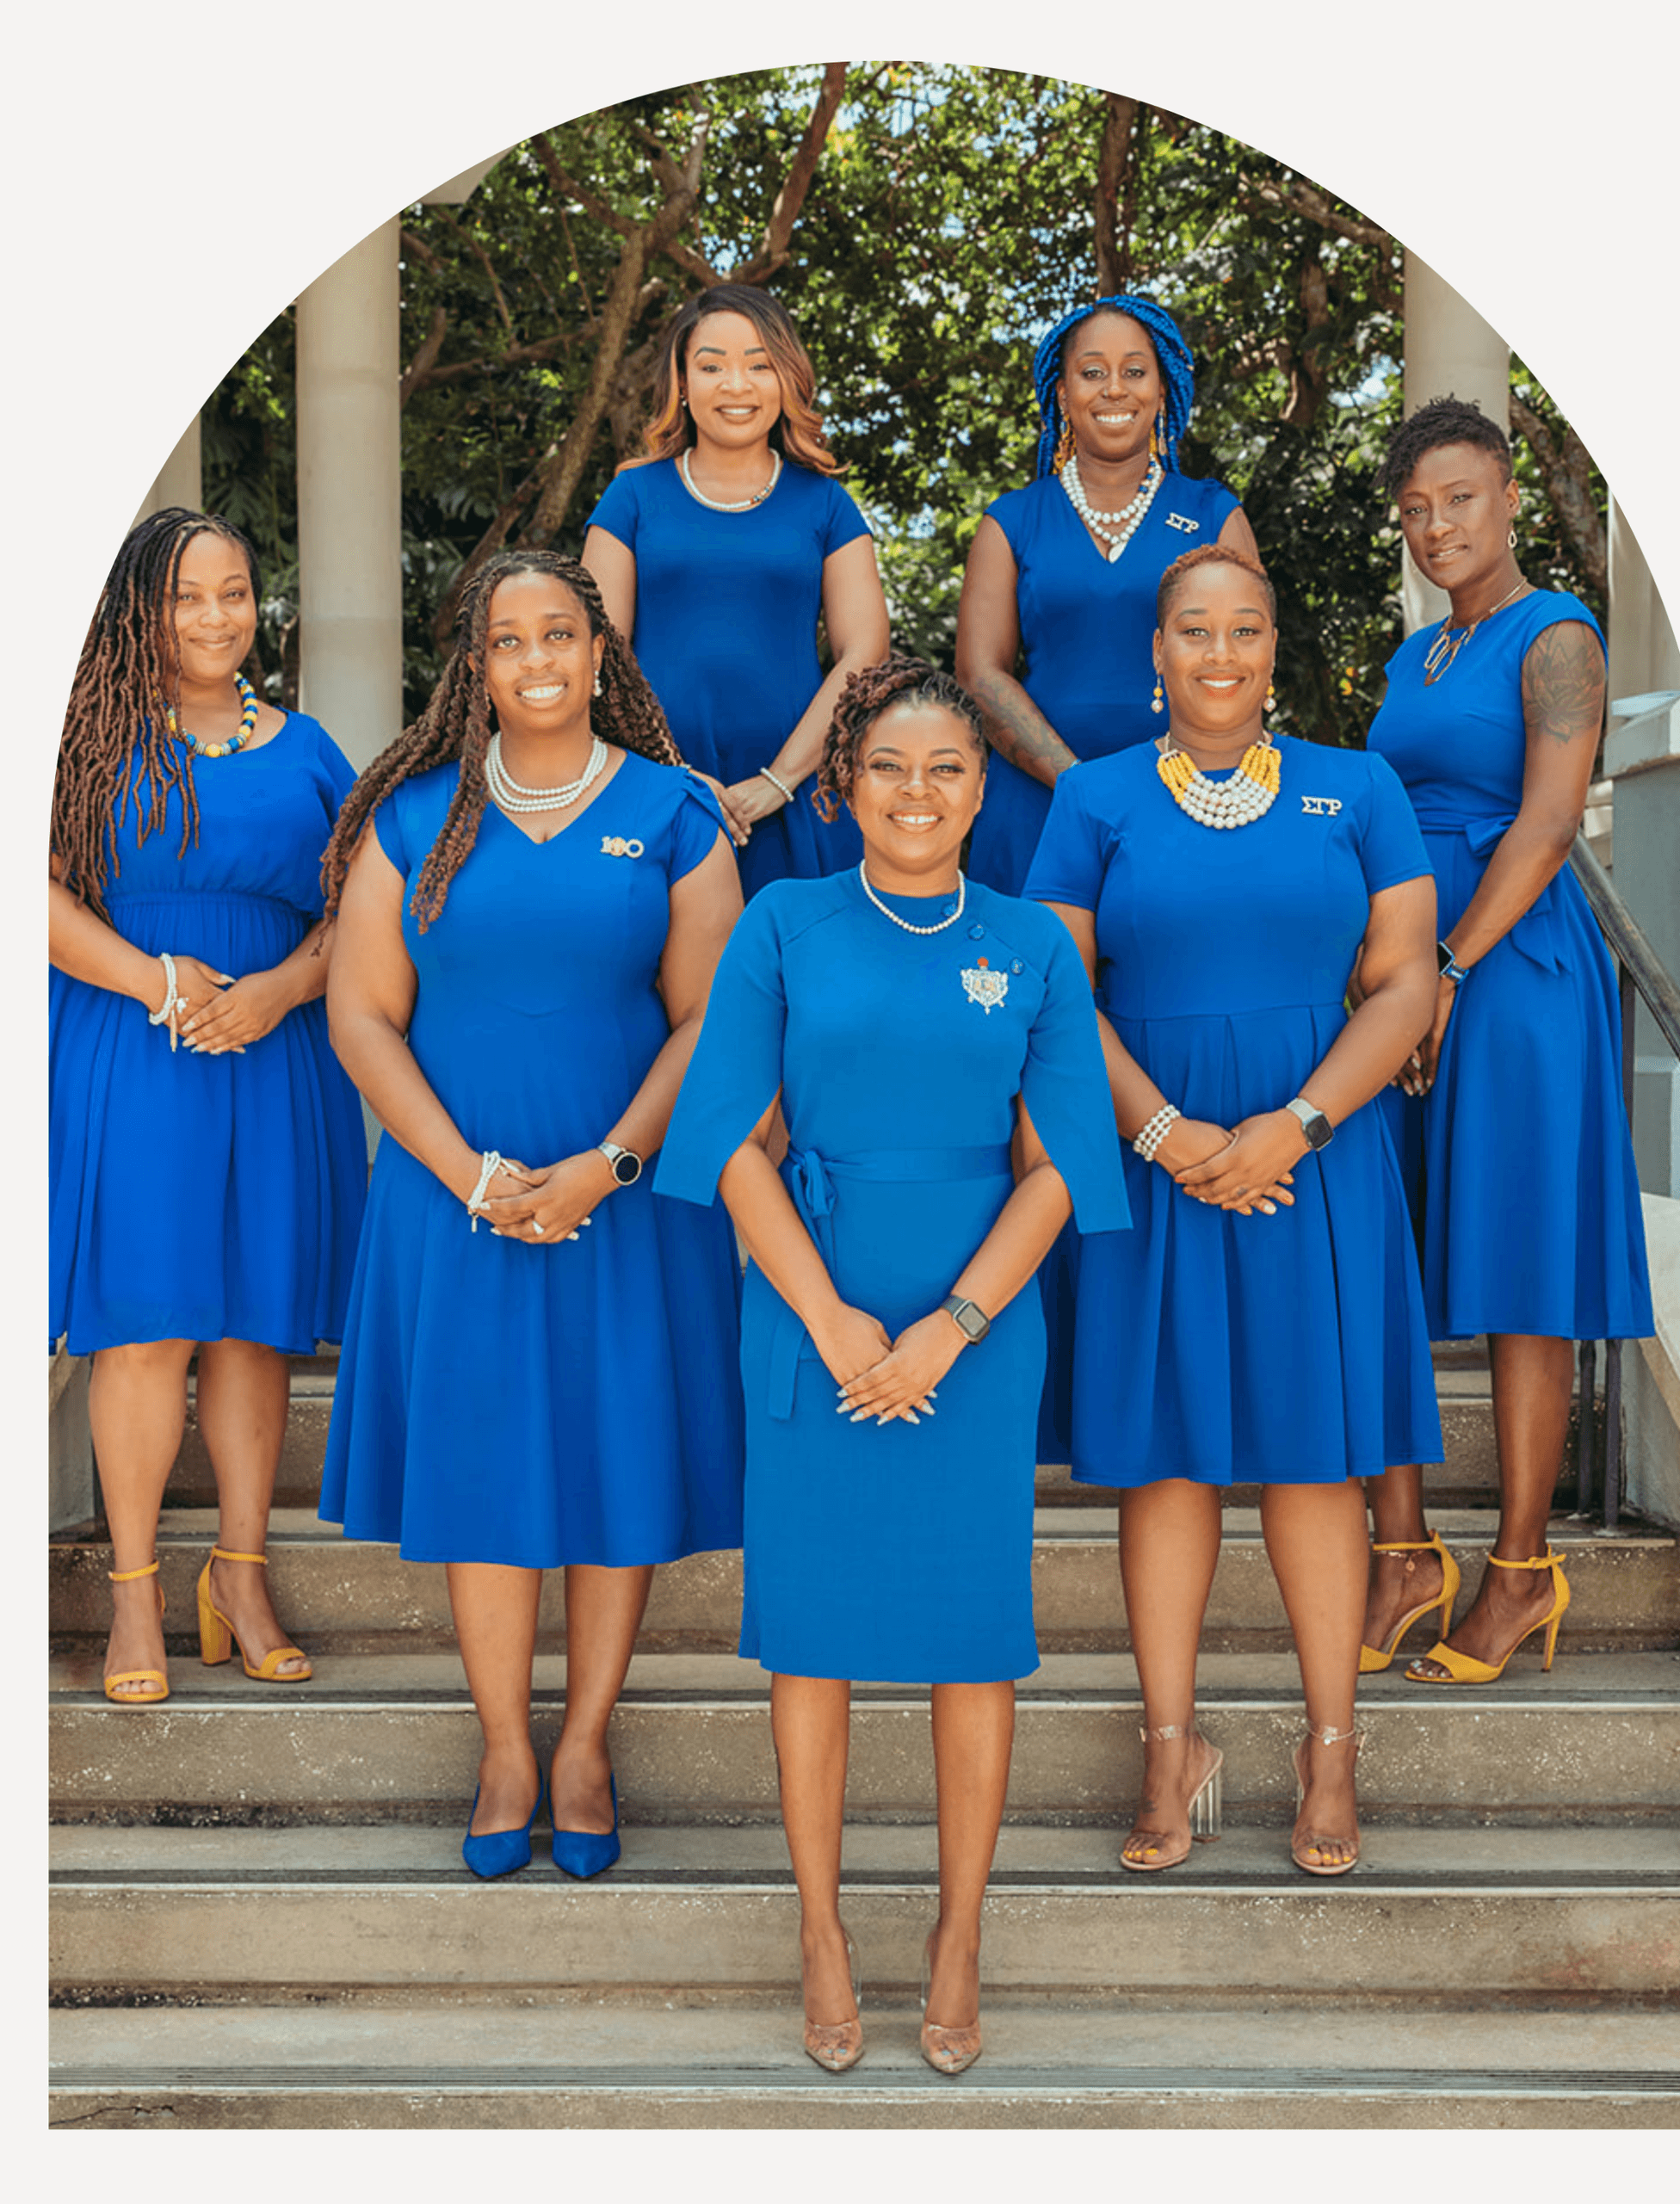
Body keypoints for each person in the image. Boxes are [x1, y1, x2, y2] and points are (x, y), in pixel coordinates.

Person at [654, 657, 1127, 2072]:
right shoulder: (783, 922)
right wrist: (833, 1320)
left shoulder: (1034, 944)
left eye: (947, 772)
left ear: (986, 791)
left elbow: (1053, 1175)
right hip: (810, 1313)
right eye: (888, 771)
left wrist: (948, 1328)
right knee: (811, 1646)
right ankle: (818, 1927)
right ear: (843, 786)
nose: (917, 796)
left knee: (971, 1647)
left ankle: (957, 1931)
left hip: (972, 1335)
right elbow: (731, 1143)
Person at [316, 551, 744, 1880]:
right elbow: (362, 1017)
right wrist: (476, 1177)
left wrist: (607, 1164)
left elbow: (709, 1020)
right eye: (509, 640)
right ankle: (506, 1742)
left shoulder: (676, 811)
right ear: (476, 666)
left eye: (561, 632)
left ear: (601, 650)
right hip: (457, 1207)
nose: (538, 657)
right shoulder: (411, 817)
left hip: (628, 1202)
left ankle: (585, 1744)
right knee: (489, 1472)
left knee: (620, 1467)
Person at [1027, 546, 1442, 1878]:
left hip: (1316, 1159)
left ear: (1276, 646)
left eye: (1245, 628)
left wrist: (1296, 1126)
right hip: (1156, 1164)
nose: (1219, 652)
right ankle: (1170, 1748)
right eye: (1193, 630)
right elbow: (1053, 987)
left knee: (1315, 1463)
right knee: (1168, 1463)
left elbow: (1404, 983)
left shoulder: (1358, 789)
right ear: (1155, 655)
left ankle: (1331, 1755)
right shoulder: (1092, 800)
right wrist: (1159, 1131)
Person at [50, 507, 368, 1704]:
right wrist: (162, 981)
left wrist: (285, 986)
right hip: (136, 1045)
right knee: (144, 1322)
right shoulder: (83, 741)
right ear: (141, 607)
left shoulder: (307, 748)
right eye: (189, 597)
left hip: (275, 1049)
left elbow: (364, 903)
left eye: (235, 593)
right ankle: (132, 1596)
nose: (217, 617)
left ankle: (240, 1574)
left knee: (254, 1323)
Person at [1359, 396, 1652, 1686]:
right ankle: (1405, 1549)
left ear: (1511, 499)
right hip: (1405, 970)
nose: (1436, 528)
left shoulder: (1558, 637)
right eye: (1416, 510)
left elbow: (1542, 827)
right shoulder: (1412, 660)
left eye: (1459, 500)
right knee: (1376, 1254)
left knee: (1523, 1275)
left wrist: (1449, 973)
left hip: (1508, 969)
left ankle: (1523, 1570)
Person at [583, 282, 889, 894]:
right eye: (712, 366)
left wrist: (776, 782)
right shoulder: (632, 497)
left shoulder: (825, 503)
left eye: (759, 365)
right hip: (651, 786)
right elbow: (595, 653)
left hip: (799, 796)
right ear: (682, 382)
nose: (736, 385)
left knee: (798, 982)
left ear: (787, 378)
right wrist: (676, 774)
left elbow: (865, 652)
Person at [955, 292, 1259, 899]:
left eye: (1134, 371)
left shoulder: (1213, 515)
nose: (1114, 388)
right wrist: (1081, 788)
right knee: (1034, 988)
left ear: (1162, 389)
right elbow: (980, 675)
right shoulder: (1011, 521)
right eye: (1092, 372)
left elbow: (1246, 664)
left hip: (1186, 800)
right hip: (1036, 808)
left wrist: (1158, 795)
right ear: (1063, 394)